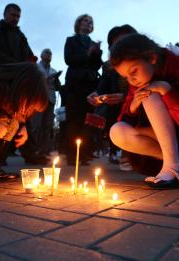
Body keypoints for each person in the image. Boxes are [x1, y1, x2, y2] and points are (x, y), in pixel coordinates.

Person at [108, 33, 179, 189]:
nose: (132, 80)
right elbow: (123, 117)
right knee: (117, 131)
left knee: (151, 94)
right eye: (125, 77)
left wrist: (168, 91)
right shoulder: (140, 78)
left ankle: (173, 167)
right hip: (171, 138)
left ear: (152, 58)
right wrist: (133, 106)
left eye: (133, 72)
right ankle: (173, 161)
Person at [0, 3, 38, 177]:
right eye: (13, 15)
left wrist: (31, 62)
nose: (15, 18)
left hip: (16, 83)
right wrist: (18, 66)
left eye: (18, 16)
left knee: (14, 120)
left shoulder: (21, 36)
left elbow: (29, 55)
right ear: (5, 14)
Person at [87, 24, 137, 170]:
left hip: (140, 102)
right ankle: (118, 150)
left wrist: (126, 97)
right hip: (116, 106)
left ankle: (134, 152)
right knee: (113, 114)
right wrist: (96, 94)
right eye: (116, 44)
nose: (121, 47)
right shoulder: (109, 66)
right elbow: (103, 86)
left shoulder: (145, 60)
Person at [63, 14, 102, 165]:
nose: (88, 24)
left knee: (88, 120)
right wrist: (87, 54)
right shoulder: (71, 40)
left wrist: (97, 54)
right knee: (74, 119)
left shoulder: (93, 42)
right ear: (79, 24)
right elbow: (69, 59)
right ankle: (72, 156)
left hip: (90, 84)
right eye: (86, 21)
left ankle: (84, 153)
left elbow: (96, 66)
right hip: (75, 83)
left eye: (91, 22)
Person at [22, 48, 61, 164]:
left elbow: (58, 87)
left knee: (47, 127)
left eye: (50, 53)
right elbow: (31, 82)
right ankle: (34, 151)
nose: (49, 55)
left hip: (50, 100)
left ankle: (44, 151)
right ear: (41, 55)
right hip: (38, 99)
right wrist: (46, 79)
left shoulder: (53, 70)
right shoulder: (35, 67)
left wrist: (56, 79)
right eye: (47, 53)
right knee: (36, 126)